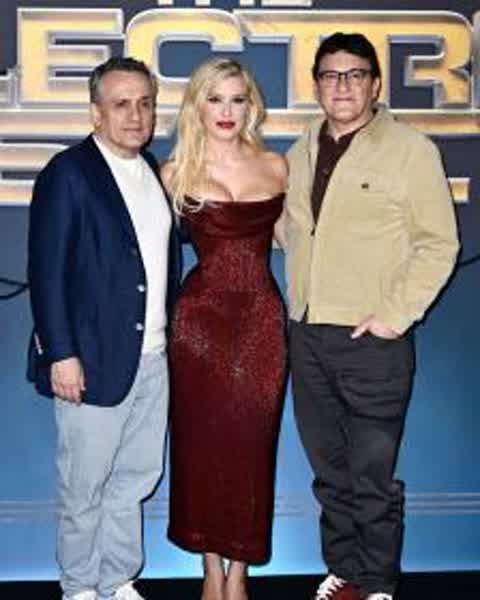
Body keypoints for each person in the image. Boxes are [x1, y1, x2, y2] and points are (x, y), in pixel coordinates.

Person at [285, 33, 459, 600]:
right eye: (330, 75)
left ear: (375, 84)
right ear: (316, 85)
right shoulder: (301, 147)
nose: (342, 86)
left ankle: (379, 584)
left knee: (372, 477)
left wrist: (394, 316)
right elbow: (295, 229)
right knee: (330, 473)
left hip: (373, 342)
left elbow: (439, 243)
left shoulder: (411, 149)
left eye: (354, 74)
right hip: (307, 333)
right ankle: (345, 572)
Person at [27, 56, 179, 600]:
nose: (136, 116)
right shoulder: (69, 173)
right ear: (96, 113)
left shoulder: (152, 170)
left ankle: (117, 579)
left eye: (145, 104)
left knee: (135, 480)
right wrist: (60, 353)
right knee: (84, 486)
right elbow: (45, 271)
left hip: (153, 358)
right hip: (88, 361)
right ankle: (80, 587)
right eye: (121, 105)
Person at [160, 57, 288, 600]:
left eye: (237, 99)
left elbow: (296, 243)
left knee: (252, 447)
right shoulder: (173, 173)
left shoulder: (277, 167)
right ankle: (212, 566)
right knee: (202, 446)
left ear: (250, 105)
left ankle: (240, 569)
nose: (227, 111)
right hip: (198, 326)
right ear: (198, 106)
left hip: (261, 322)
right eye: (215, 99)